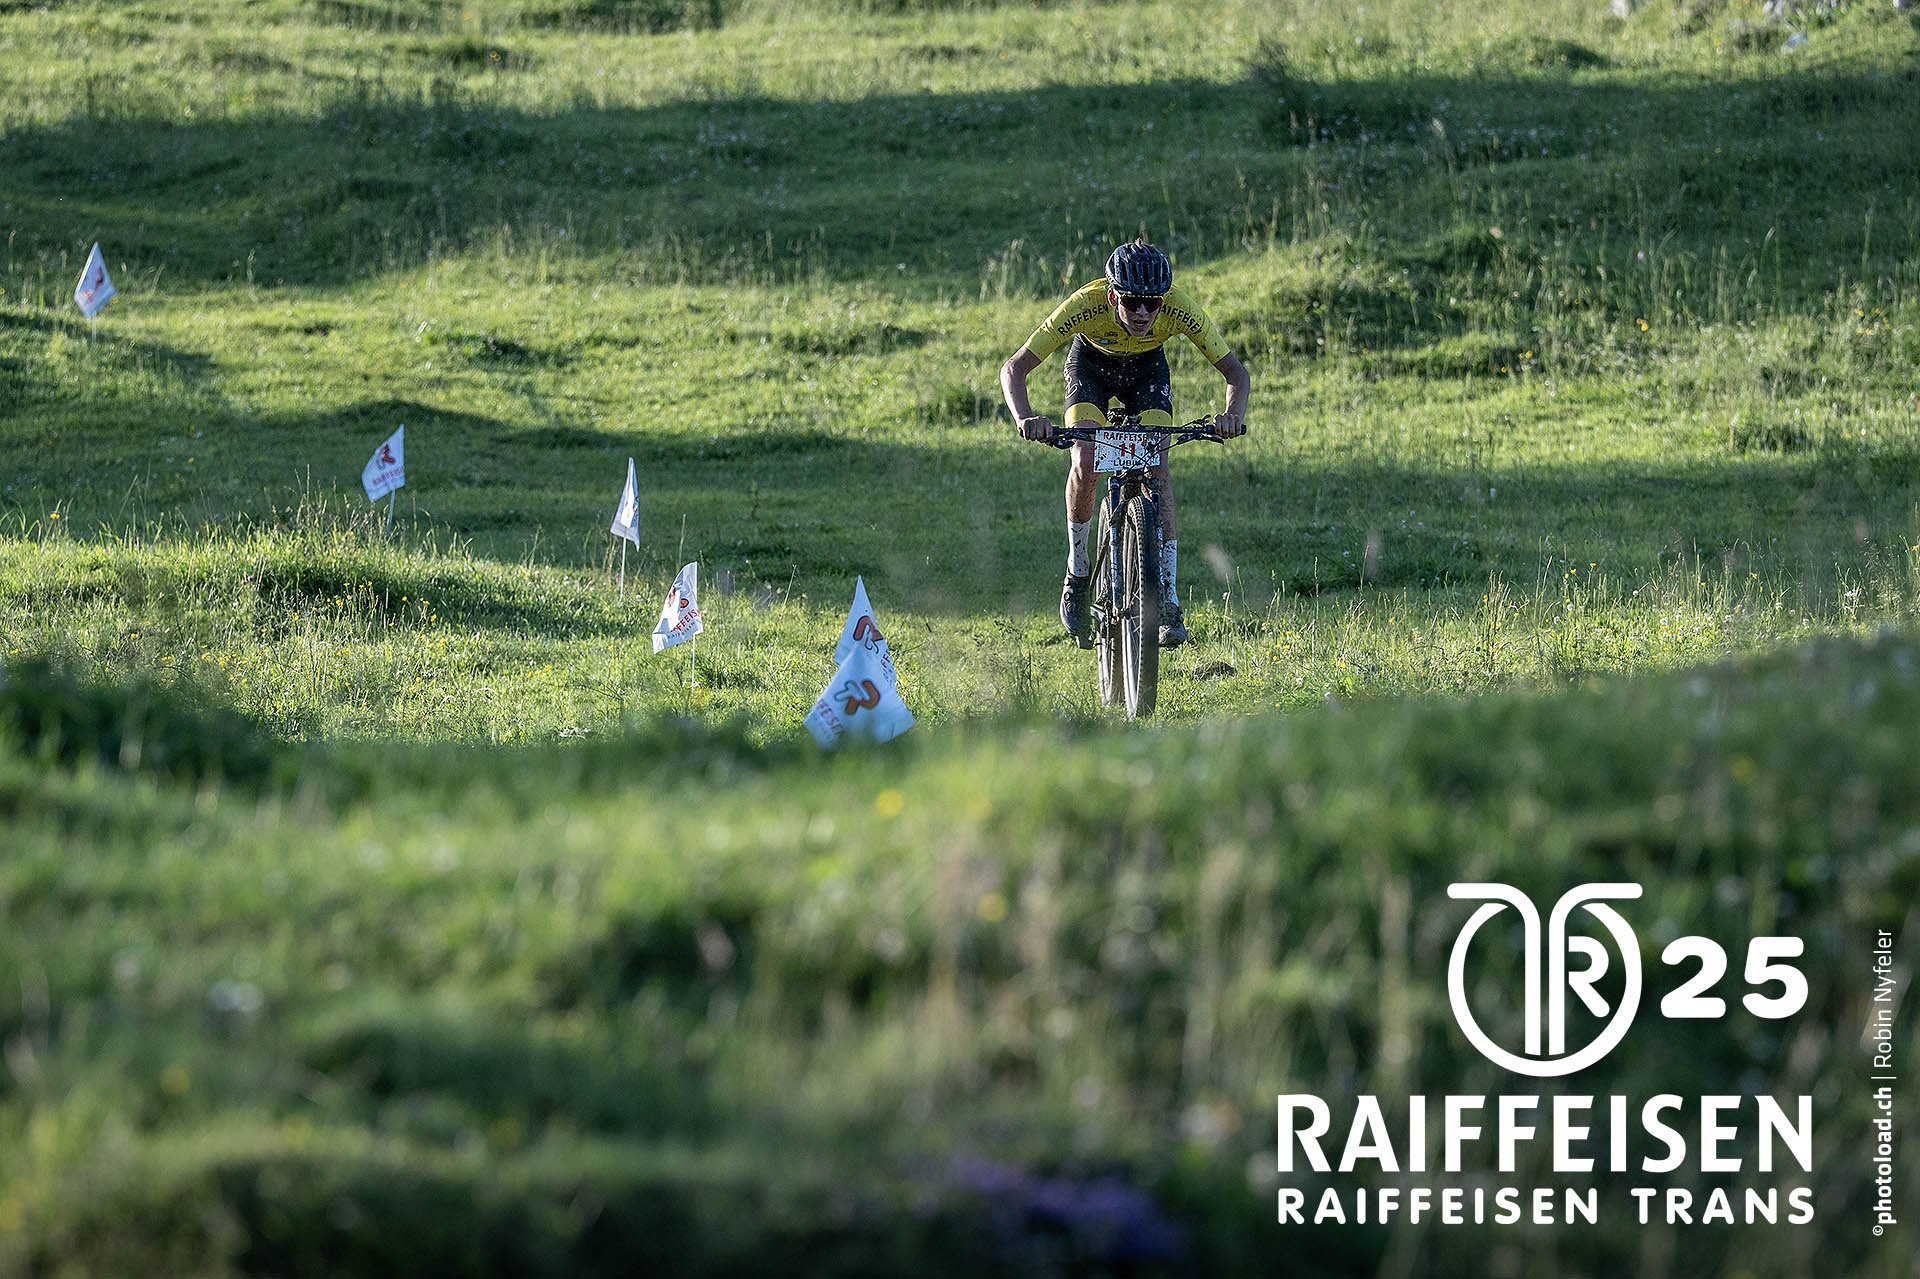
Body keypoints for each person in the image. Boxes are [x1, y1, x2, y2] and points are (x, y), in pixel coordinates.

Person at [998, 238, 1250, 649]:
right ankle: (1078, 572)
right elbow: (1014, 368)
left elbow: (1236, 374)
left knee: (1158, 469)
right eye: (1133, 302)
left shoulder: (1179, 308)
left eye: (1153, 303)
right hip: (1091, 370)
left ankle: (1168, 599)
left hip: (1146, 374)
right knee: (1086, 460)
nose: (1143, 313)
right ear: (1114, 296)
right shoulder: (1086, 304)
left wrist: (1232, 416)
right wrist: (1025, 417)